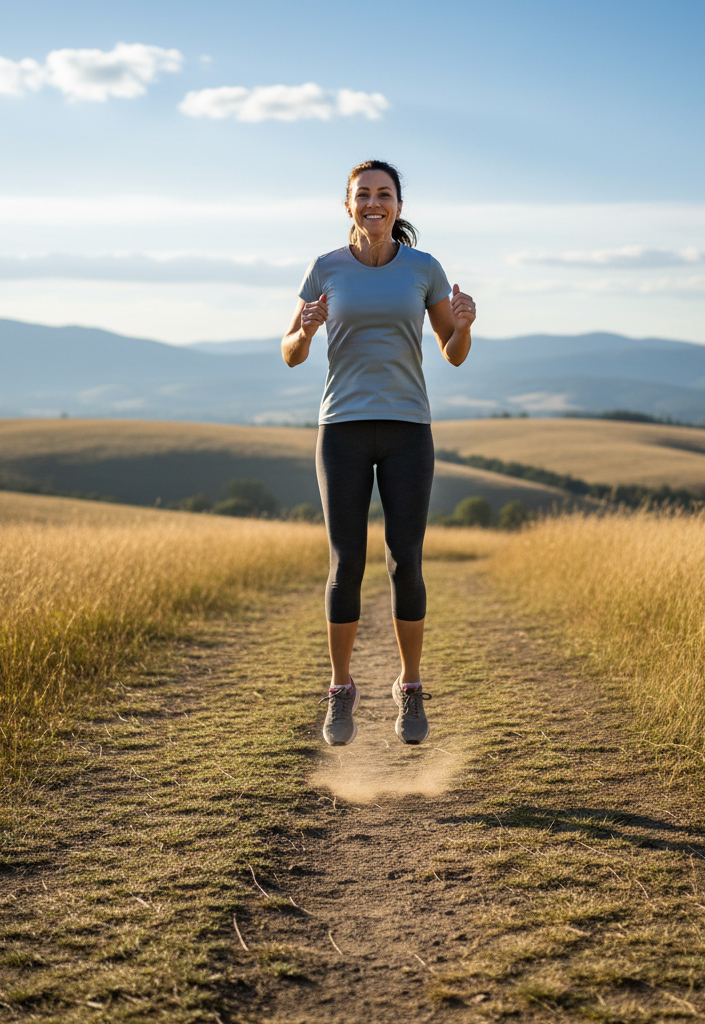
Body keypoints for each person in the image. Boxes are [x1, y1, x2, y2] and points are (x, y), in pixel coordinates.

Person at [282, 159, 476, 747]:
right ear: (348, 206)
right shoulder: (324, 268)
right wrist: (307, 331)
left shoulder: (424, 268)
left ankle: (410, 687)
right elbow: (290, 352)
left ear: (398, 205)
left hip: (407, 428)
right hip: (340, 427)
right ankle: (341, 690)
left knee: (405, 561)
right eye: (362, 195)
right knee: (346, 563)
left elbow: (453, 352)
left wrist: (464, 325)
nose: (374, 203)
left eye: (384, 194)